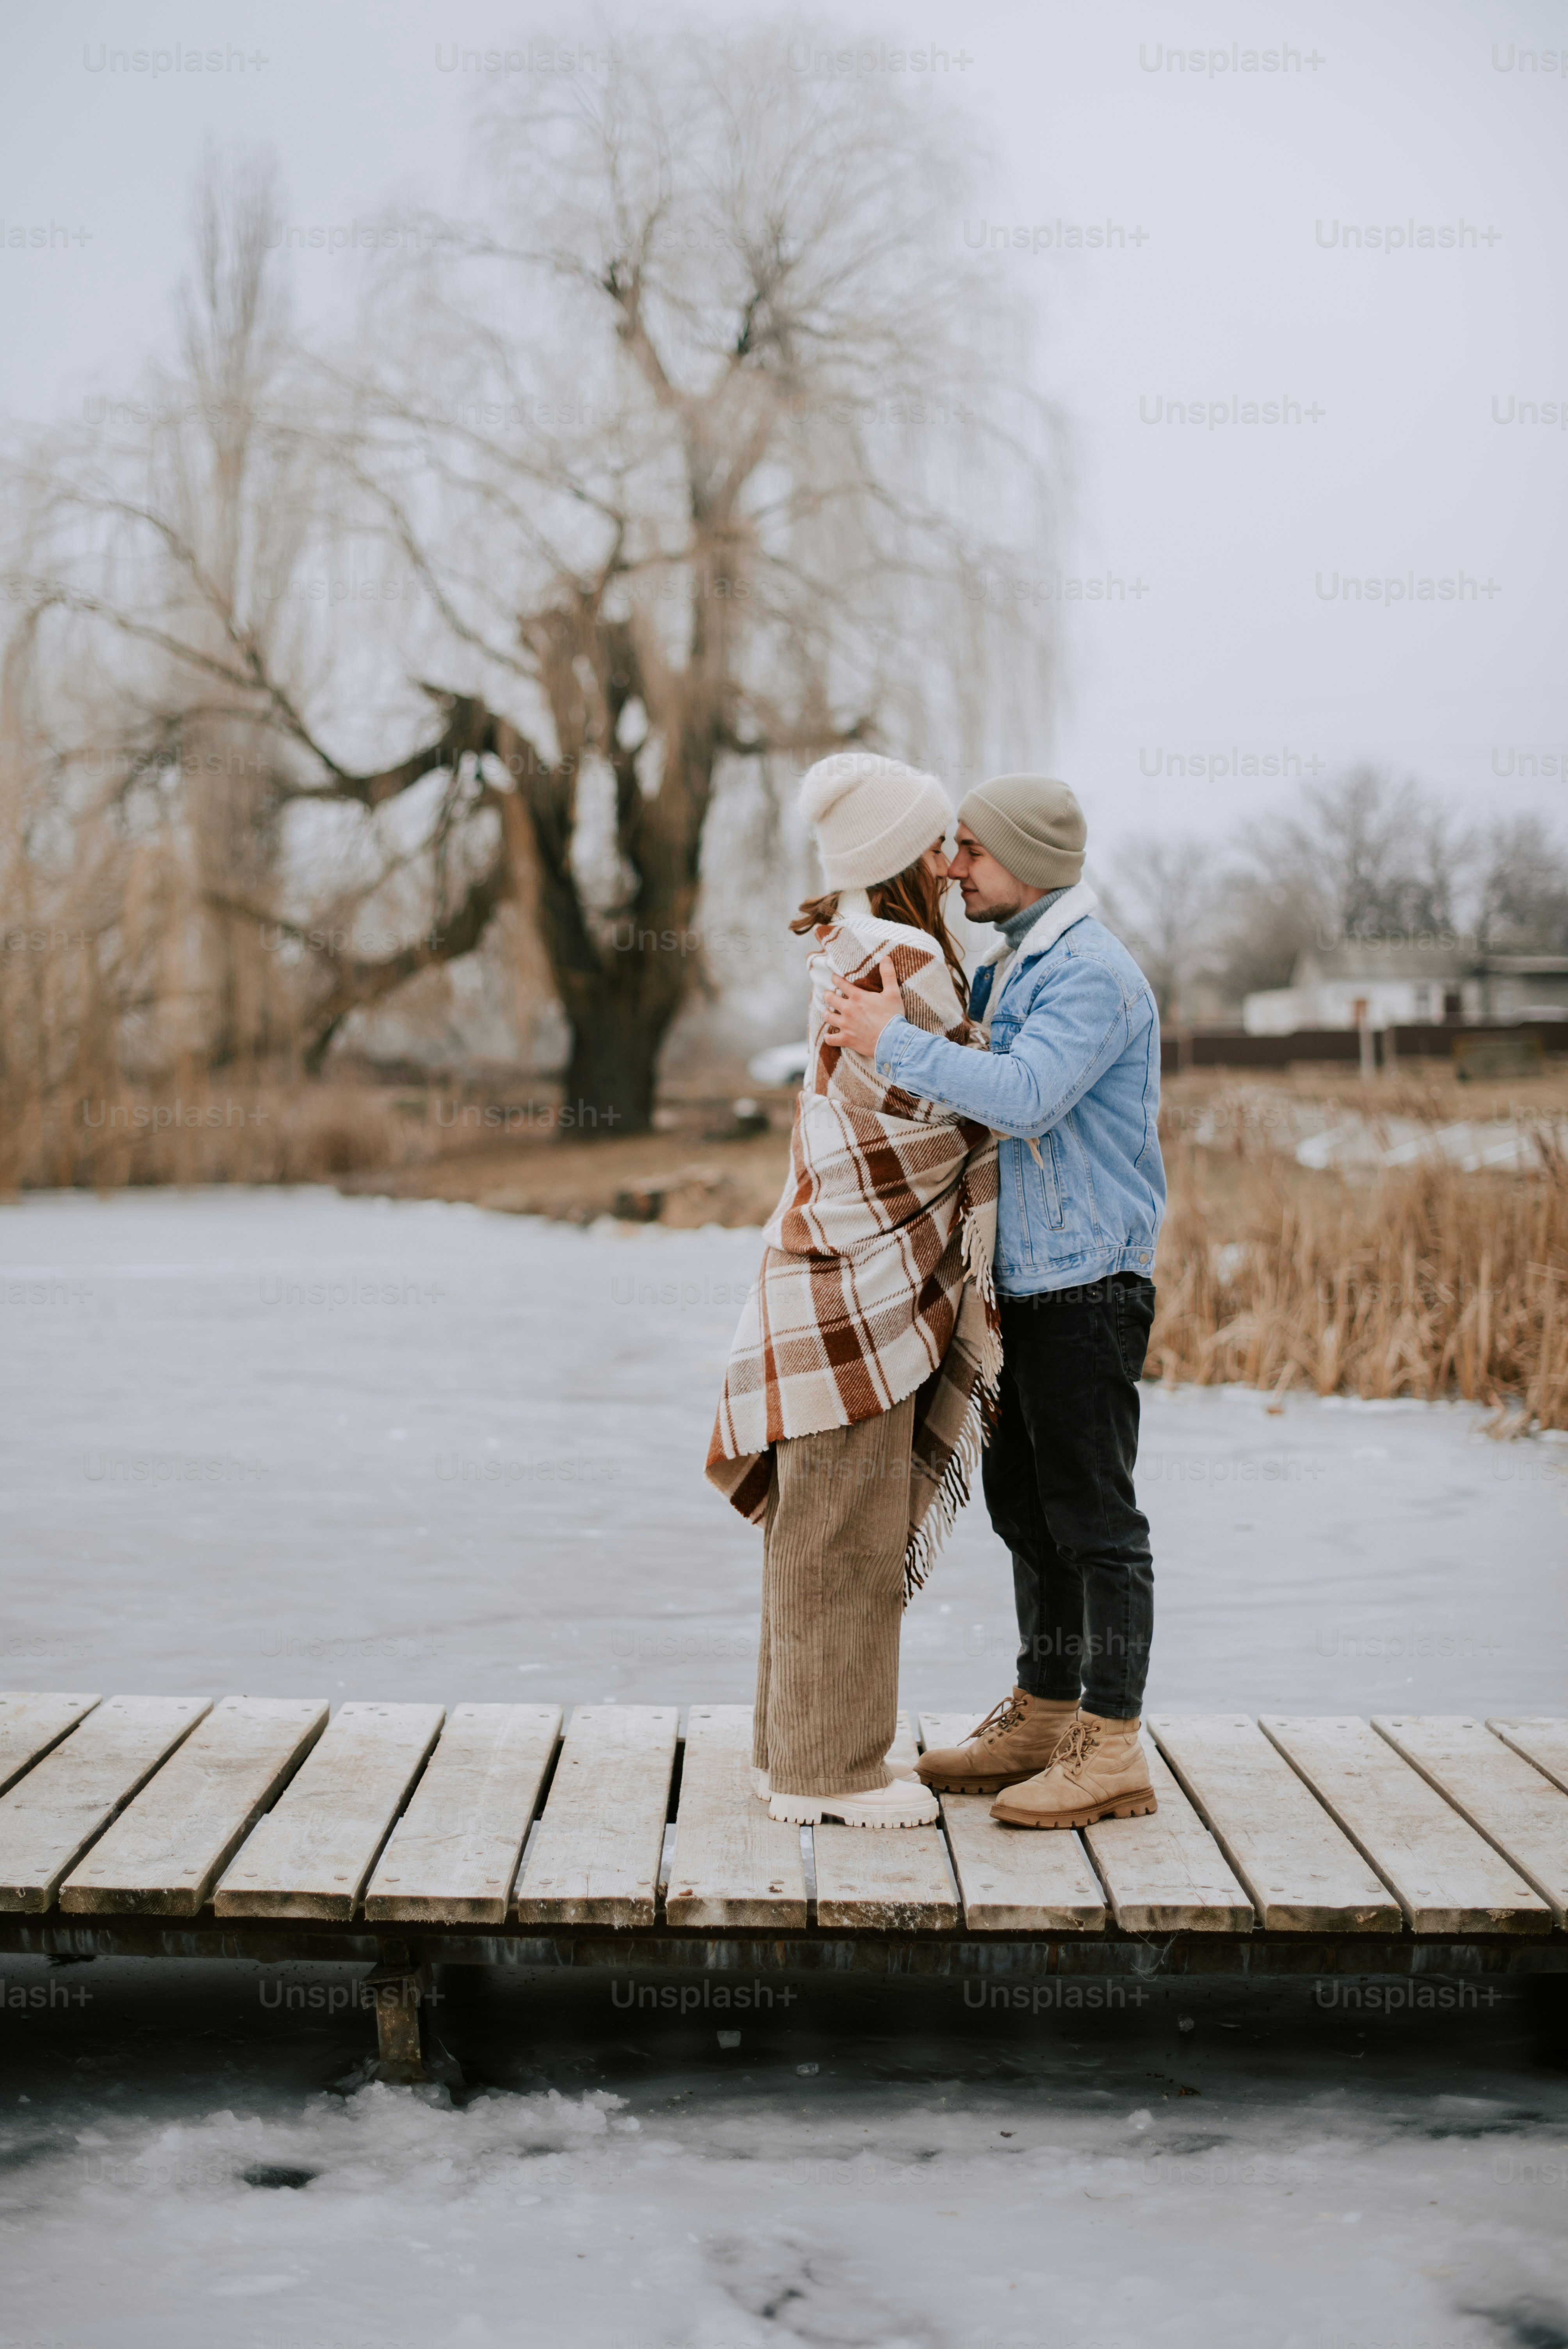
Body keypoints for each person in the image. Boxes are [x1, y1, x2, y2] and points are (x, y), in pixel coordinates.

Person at [822, 773, 1165, 1830]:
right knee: (1027, 1509)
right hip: (1025, 1285)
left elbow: (1022, 1097)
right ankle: (1044, 1712)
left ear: (1027, 858)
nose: (951, 866)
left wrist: (892, 1040)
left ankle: (1110, 1747)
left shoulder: (1091, 975)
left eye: (969, 849)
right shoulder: (1021, 960)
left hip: (1088, 1284)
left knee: (1097, 1522)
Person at [707, 752, 1001, 1829]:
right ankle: (831, 1775)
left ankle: (784, 1750)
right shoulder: (909, 952)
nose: (949, 858)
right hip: (867, 1295)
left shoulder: (840, 939)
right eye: (934, 842)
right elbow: (960, 1113)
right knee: (852, 1535)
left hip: (811, 1274)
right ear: (898, 859)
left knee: (810, 1529)